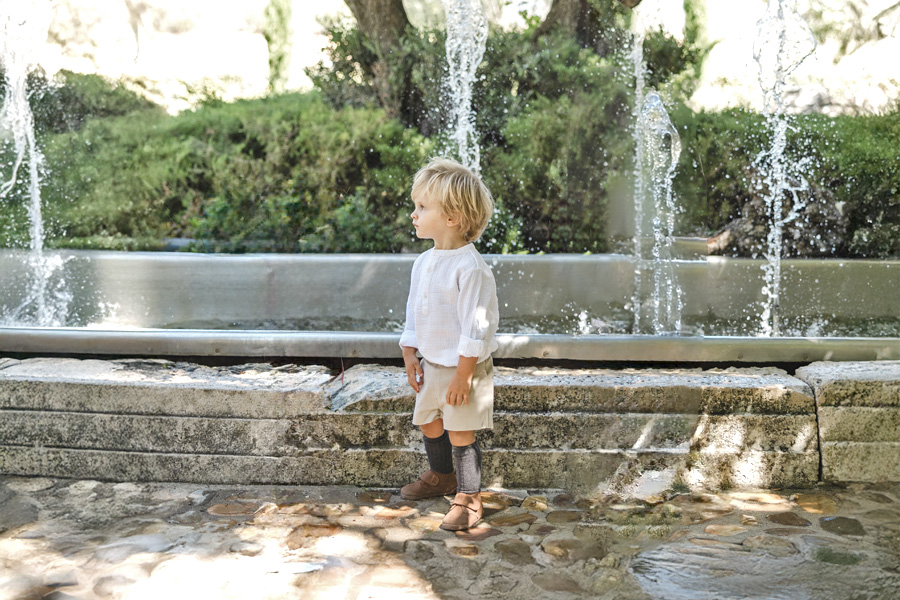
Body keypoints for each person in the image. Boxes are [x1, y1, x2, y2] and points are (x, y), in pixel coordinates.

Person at [398, 157, 499, 532]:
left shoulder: (470, 268)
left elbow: (475, 328)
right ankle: (442, 476)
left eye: (423, 207)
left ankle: (469, 497)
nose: (414, 214)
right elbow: (414, 311)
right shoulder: (424, 262)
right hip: (434, 363)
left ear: (453, 217)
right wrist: (410, 352)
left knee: (460, 431)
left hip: (463, 367)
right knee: (430, 423)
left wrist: (463, 377)